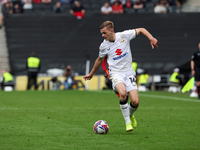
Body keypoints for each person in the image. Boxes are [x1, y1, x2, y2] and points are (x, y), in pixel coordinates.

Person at [83, 20, 158, 132]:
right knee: (123, 94)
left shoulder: (124, 36)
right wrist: (91, 73)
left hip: (129, 73)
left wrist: (151, 38)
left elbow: (141, 29)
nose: (103, 36)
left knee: (135, 102)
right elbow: (99, 60)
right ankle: (128, 122)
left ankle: (131, 115)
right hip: (115, 73)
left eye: (104, 33)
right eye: (101, 34)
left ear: (111, 31)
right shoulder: (103, 46)